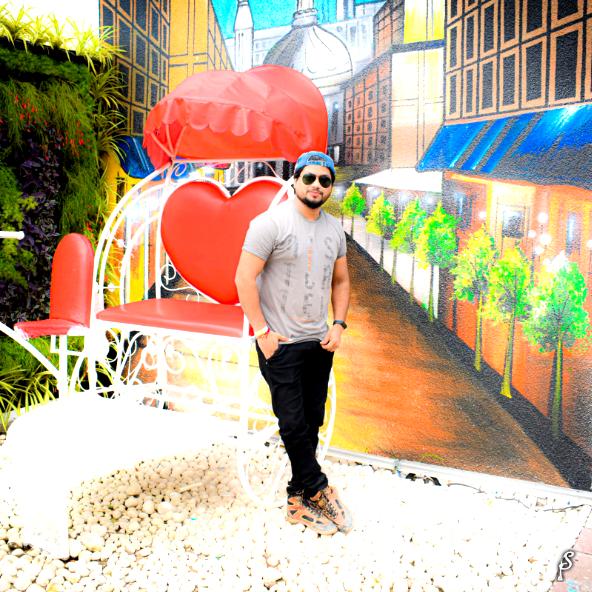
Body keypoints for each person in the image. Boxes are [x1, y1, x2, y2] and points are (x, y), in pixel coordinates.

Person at [235, 151, 352, 536]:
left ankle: (296, 500)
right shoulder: (269, 223)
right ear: (295, 180)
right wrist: (262, 332)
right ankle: (319, 488)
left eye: (325, 180)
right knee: (292, 422)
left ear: (330, 187)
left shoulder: (335, 231)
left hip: (319, 341)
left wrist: (338, 325)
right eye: (309, 178)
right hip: (280, 342)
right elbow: (244, 279)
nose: (317, 185)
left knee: (312, 420)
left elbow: (341, 281)